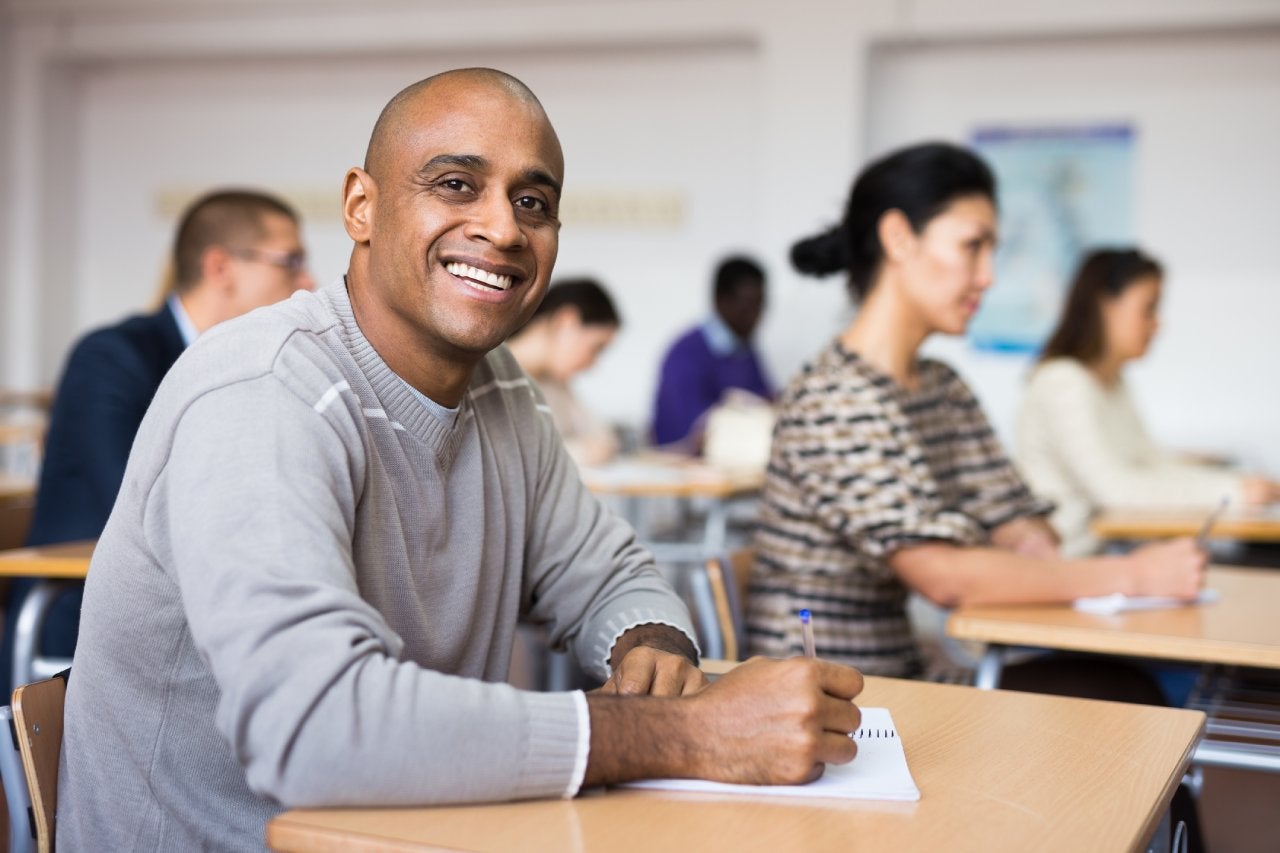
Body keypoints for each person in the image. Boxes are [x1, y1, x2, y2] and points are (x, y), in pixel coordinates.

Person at [58, 69, 864, 852]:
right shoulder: (263, 389)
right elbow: (313, 731)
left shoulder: (500, 390)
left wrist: (648, 640)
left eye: (533, 202)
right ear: (360, 206)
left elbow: (611, 573)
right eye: (455, 184)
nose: (504, 228)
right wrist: (680, 731)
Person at [746, 142, 1207, 679]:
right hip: (837, 704)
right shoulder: (834, 398)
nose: (988, 275)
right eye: (973, 246)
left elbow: (1018, 517)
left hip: (914, 673)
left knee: (1115, 682)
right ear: (898, 238)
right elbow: (945, 578)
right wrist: (1133, 574)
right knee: (1115, 688)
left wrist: (1024, 540)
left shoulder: (942, 387)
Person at [2, 189, 313, 691]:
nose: (308, 281)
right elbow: (142, 508)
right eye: (291, 261)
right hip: (84, 625)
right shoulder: (112, 357)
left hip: (195, 611)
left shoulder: (252, 366)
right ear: (221, 267)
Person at [1017, 247, 1280, 556]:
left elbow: (1151, 463)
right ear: (1105, 306)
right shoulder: (1062, 382)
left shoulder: (1112, 381)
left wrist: (1238, 483)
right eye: (1149, 308)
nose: (1158, 324)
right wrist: (1233, 492)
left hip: (1108, 554)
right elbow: (1117, 491)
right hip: (1072, 562)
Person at [651, 255, 773, 447]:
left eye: (760, 304)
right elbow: (687, 428)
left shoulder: (745, 349)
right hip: (684, 467)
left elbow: (764, 401)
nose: (756, 315)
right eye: (746, 306)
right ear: (720, 301)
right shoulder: (686, 353)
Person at [506, 277, 621, 467]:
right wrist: (580, 451)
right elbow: (518, 457)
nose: (593, 363)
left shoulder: (553, 383)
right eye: (596, 348)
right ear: (566, 321)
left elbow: (604, 442)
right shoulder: (488, 373)